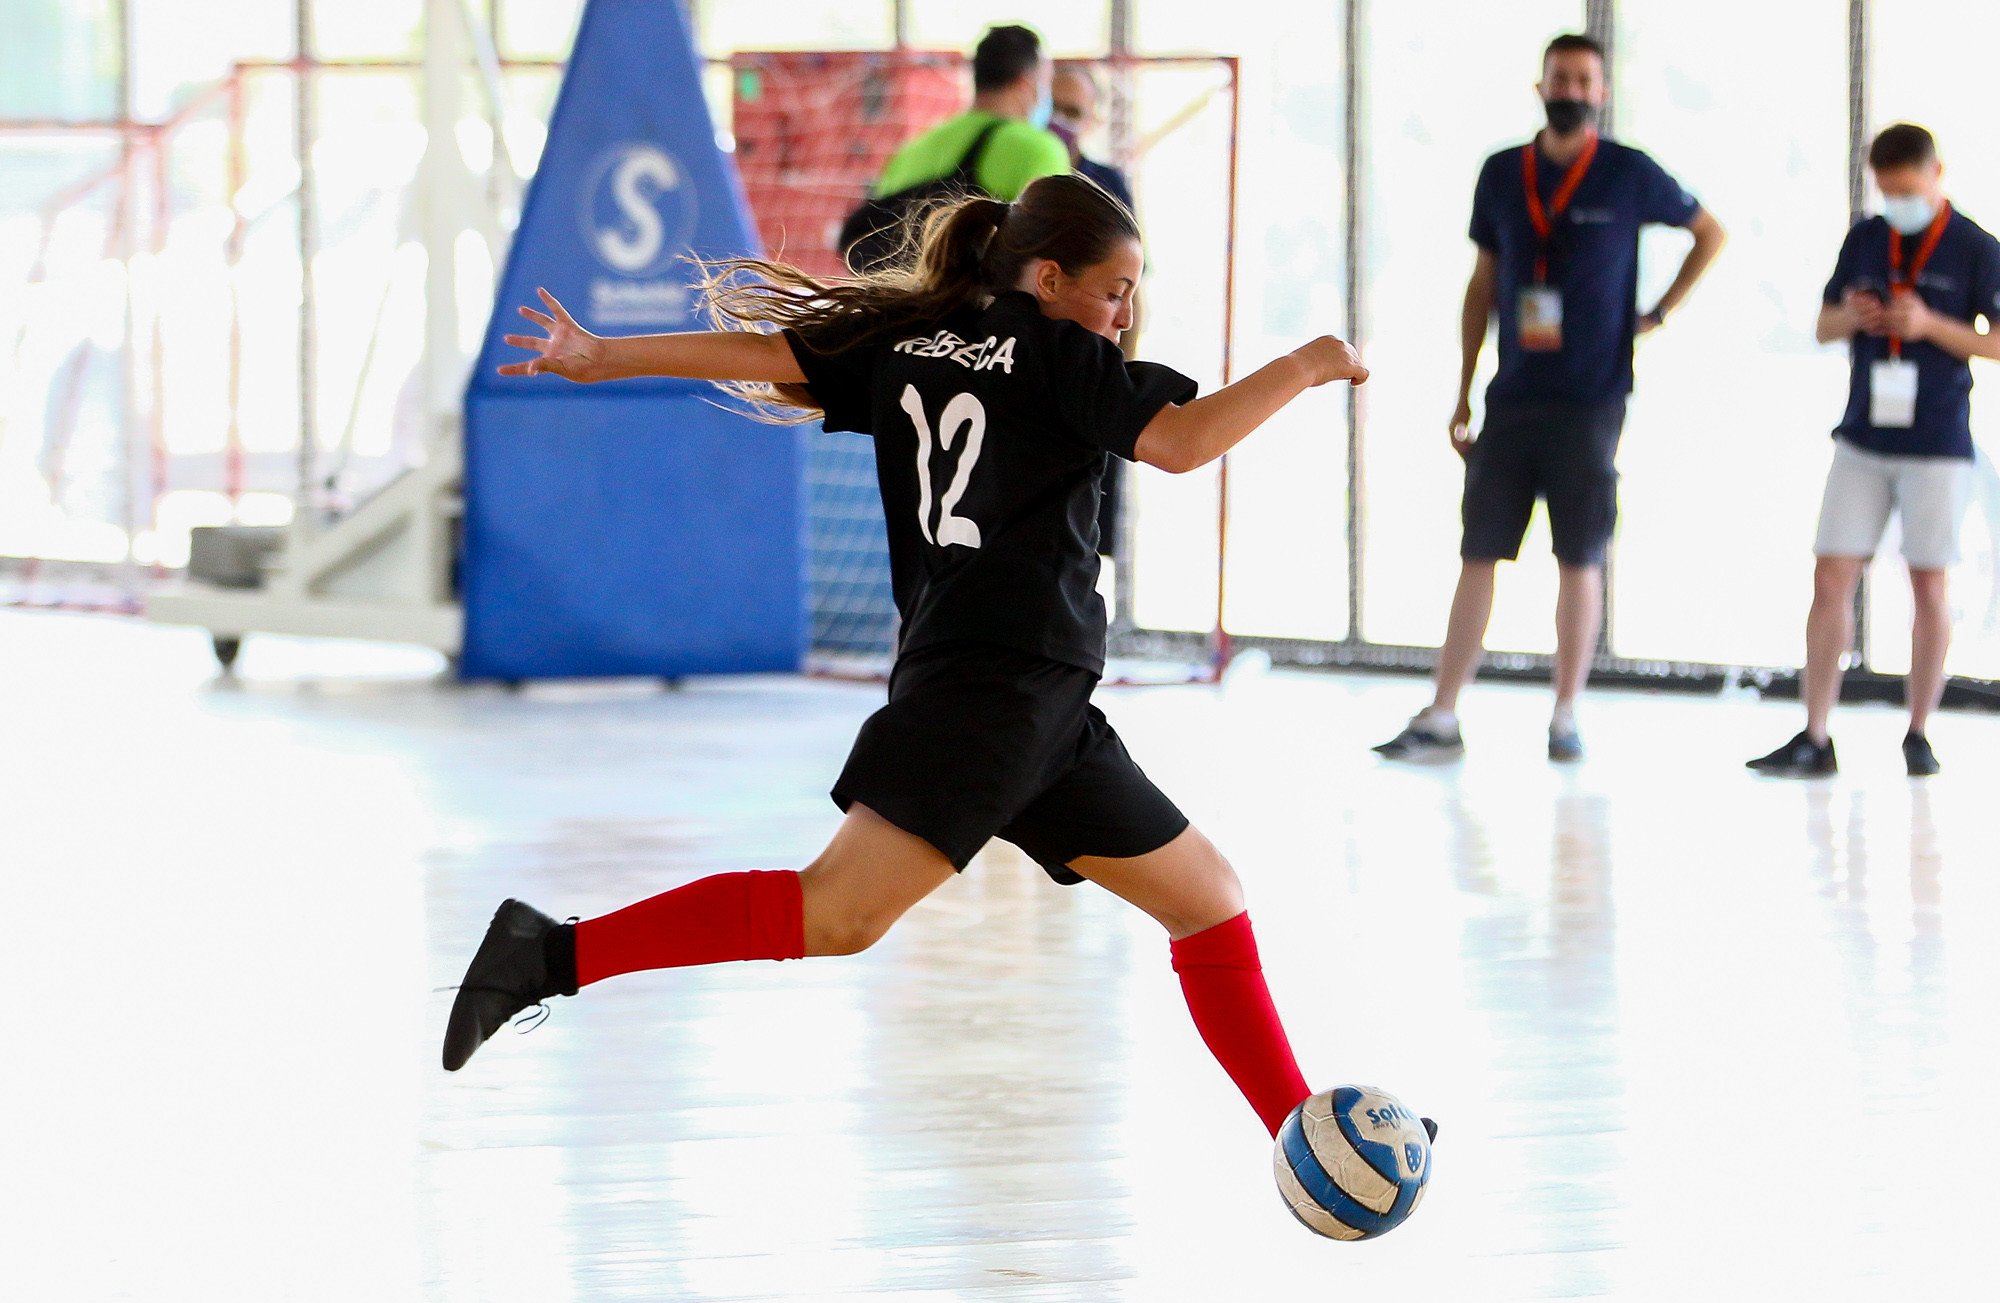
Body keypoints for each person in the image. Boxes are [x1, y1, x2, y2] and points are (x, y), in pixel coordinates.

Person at [446, 176, 1419, 1166]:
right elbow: (1180, 440)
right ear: (1048, 277)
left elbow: (765, 355)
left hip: (1030, 700)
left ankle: (1307, 1138)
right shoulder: (1057, 354)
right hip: (992, 696)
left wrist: (603, 357)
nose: (1122, 313)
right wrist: (1308, 362)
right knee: (835, 914)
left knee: (1205, 893)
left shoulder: (908, 340)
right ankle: (548, 955)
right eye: (1113, 289)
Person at [1374, 33, 1725, 765]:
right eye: (1558, 76)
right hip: (1512, 395)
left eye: (1583, 79)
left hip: (1592, 397)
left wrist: (1658, 314)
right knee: (1480, 550)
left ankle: (1566, 713)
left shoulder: (1629, 173)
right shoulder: (1503, 172)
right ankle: (1442, 714)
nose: (1570, 88)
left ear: (1601, 92)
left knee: (1580, 555)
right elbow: (1481, 284)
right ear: (1540, 87)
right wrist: (1464, 386)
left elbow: (1709, 233)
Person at [1748, 124, 2000, 778]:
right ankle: (1815, 732)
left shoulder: (1975, 247)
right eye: (1886, 190)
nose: (1898, 201)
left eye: (1908, 190)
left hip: (1937, 441)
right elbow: (1823, 323)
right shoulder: (1865, 237)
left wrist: (1929, 326)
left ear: (1937, 173)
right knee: (1830, 576)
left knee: (1928, 582)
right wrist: (1858, 318)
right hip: (1862, 435)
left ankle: (1918, 730)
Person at [1051, 62, 1142, 562]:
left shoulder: (1106, 183)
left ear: (1091, 119)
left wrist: (1117, 373)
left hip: (1083, 374)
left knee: (1086, 530)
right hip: (1020, 371)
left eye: (1072, 112)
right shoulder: (1009, 171)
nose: (1060, 122)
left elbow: (1133, 291)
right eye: (1052, 108)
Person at [871, 25, 1070, 206]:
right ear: (1025, 84)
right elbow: (1057, 240)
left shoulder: (910, 151)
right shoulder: (1040, 150)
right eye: (1046, 82)